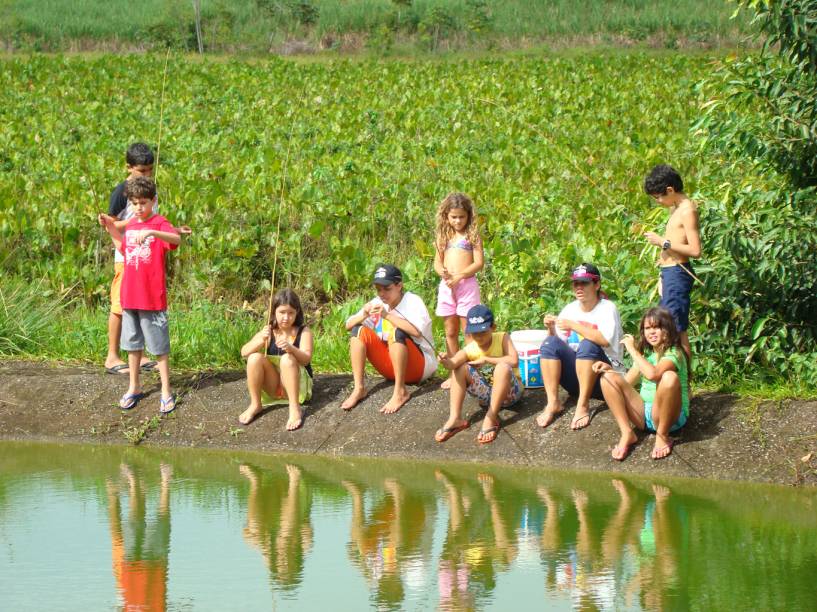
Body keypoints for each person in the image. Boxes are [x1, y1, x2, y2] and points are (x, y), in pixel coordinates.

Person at [98, 176, 183, 413]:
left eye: (143, 203)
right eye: (134, 203)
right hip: (130, 298)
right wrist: (110, 226)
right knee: (133, 346)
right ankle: (134, 386)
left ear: (153, 201)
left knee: (159, 348)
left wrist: (153, 234)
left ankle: (166, 391)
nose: (139, 208)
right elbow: (122, 248)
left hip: (152, 299)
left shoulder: (160, 223)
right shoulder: (132, 224)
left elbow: (176, 239)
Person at [592, 306, 689, 461]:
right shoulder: (646, 356)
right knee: (607, 378)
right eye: (647, 328)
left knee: (669, 377)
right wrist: (609, 370)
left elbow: (653, 374)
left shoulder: (674, 353)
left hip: (670, 417)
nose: (651, 332)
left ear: (668, 330)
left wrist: (632, 349)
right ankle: (627, 433)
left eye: (657, 327)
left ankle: (662, 435)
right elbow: (625, 383)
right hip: (644, 416)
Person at [535, 263, 624, 431]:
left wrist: (574, 325)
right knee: (548, 343)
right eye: (576, 283)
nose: (579, 287)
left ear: (597, 285)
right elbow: (554, 348)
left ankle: (582, 405)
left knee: (588, 344)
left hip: (605, 379)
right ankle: (553, 402)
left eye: (584, 283)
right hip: (576, 378)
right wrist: (551, 328)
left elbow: (604, 340)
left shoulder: (607, 308)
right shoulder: (570, 309)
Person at [340, 264, 437, 414]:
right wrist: (364, 314)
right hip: (391, 366)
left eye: (387, 289)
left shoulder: (413, 301)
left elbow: (416, 332)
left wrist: (387, 316)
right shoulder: (377, 303)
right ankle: (359, 388)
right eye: (379, 289)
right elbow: (348, 325)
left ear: (399, 286)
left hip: (419, 368)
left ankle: (400, 392)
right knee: (358, 330)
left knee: (397, 332)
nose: (382, 294)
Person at [103, 143, 156, 375]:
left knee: (138, 304)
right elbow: (110, 225)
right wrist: (122, 247)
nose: (147, 175)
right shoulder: (121, 191)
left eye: (150, 170)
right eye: (142, 171)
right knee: (119, 305)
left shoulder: (150, 188)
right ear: (129, 168)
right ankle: (112, 357)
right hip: (125, 257)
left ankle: (140, 355)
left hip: (145, 257)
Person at [436, 305, 522, 444]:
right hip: (487, 396)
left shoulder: (502, 337)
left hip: (511, 393)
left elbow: (514, 360)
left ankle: (491, 416)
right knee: (459, 368)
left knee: (502, 367)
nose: (479, 337)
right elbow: (453, 363)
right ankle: (455, 418)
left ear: (493, 327)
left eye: (482, 332)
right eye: (474, 333)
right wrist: (445, 361)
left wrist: (487, 359)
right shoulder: (471, 348)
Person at [643, 164, 701, 363]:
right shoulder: (675, 209)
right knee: (670, 327)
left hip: (678, 273)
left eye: (659, 197)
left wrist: (662, 242)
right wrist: (662, 276)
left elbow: (695, 250)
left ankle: (683, 383)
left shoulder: (687, 210)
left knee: (674, 330)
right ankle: (676, 380)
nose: (658, 201)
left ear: (670, 190)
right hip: (669, 274)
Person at [239, 288, 313, 430]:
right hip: (273, 387)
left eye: (291, 313)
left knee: (287, 359)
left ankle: (294, 408)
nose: (286, 317)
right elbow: (244, 352)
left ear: (297, 312)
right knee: (254, 357)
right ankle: (255, 404)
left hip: (297, 389)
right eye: (282, 312)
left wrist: (291, 349)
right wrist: (261, 340)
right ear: (274, 312)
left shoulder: (304, 331)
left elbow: (306, 359)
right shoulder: (269, 330)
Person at [433, 193, 484, 389]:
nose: (457, 221)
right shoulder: (443, 236)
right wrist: (443, 272)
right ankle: (454, 371)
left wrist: (460, 275)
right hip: (447, 287)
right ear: (446, 216)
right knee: (450, 331)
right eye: (453, 217)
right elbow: (437, 263)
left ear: (468, 216)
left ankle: (471, 372)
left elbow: (479, 263)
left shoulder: (472, 236)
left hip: (466, 286)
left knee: (468, 331)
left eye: (461, 217)